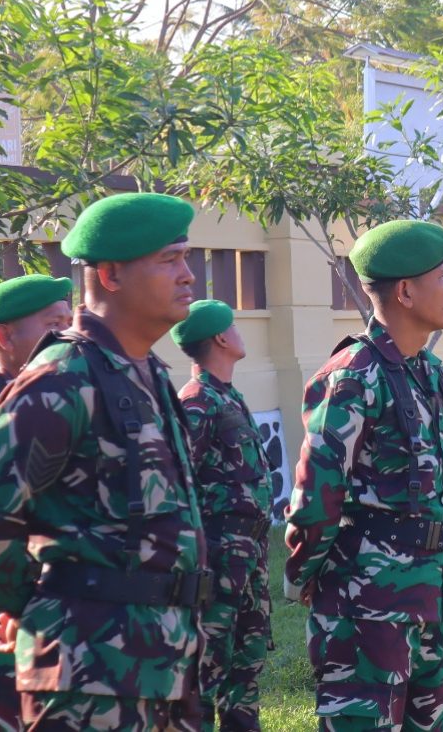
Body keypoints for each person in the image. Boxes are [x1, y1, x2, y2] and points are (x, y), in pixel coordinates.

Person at [0, 192, 208, 730]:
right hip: (87, 678)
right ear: (111, 275)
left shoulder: (145, 374)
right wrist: (43, 610)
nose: (188, 275)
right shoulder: (63, 378)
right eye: (169, 260)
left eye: (185, 258)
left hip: (164, 663)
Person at [286, 219, 443, 732]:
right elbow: (317, 495)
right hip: (367, 600)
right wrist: (302, 580)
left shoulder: (424, 371)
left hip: (428, 588)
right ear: (405, 291)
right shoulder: (352, 375)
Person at [0, 274, 73, 731]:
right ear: (5, 336)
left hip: (53, 603)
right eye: (53, 325)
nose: (66, 336)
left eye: (70, 322)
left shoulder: (67, 400)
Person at [173, 299, 274, 732]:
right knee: (207, 667)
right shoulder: (197, 400)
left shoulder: (226, 395)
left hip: (248, 552)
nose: (240, 330)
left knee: (246, 664)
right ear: (219, 337)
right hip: (217, 555)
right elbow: (180, 482)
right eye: (233, 325)